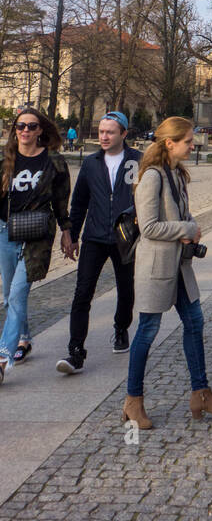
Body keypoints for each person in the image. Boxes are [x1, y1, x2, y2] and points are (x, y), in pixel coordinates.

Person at [123, 117, 212, 429]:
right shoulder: (152, 177)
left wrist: (190, 224)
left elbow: (179, 213)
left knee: (195, 323)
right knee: (147, 331)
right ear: (169, 143)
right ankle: (133, 401)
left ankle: (201, 394)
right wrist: (186, 228)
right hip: (157, 267)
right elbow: (149, 227)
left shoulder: (177, 173)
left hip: (180, 267)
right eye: (187, 140)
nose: (192, 144)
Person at [56, 112, 141, 374]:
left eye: (110, 132)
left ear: (124, 134)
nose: (104, 136)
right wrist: (71, 233)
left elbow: (148, 197)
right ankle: (75, 352)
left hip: (124, 238)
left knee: (126, 289)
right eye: (102, 131)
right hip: (94, 236)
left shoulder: (138, 161)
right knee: (82, 293)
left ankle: (120, 327)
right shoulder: (91, 163)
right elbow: (80, 201)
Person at [0, 106, 71, 383]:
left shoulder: (53, 162)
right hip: (5, 231)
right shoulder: (5, 161)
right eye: (21, 126)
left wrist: (67, 233)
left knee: (17, 294)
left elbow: (61, 202)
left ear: (41, 129)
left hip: (37, 236)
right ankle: (25, 338)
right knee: (8, 295)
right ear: (14, 130)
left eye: (31, 126)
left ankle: (3, 357)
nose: (26, 131)